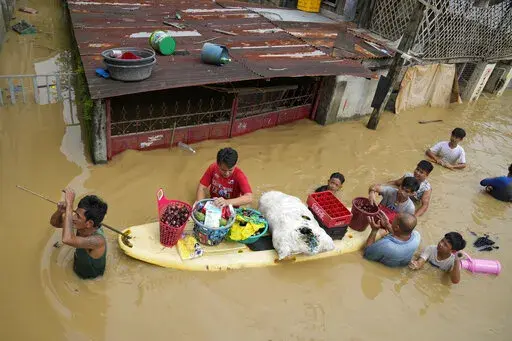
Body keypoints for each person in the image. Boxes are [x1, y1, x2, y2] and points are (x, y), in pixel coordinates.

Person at [50, 188, 108, 279]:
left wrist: (69, 205)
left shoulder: (98, 241)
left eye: (77, 216)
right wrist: (60, 212)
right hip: (78, 265)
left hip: (90, 279)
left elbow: (67, 239)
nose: (73, 218)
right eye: (74, 213)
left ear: (89, 223)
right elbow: (55, 223)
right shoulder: (80, 224)